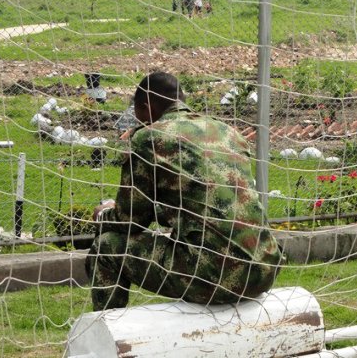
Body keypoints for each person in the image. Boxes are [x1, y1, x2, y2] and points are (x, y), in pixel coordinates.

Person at [86, 72, 282, 311]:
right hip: (265, 269)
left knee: (106, 247)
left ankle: (110, 335)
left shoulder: (148, 138)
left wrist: (102, 215)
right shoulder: (228, 133)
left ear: (146, 106)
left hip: (215, 276)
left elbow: (130, 222)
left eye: (135, 110)